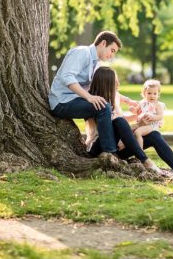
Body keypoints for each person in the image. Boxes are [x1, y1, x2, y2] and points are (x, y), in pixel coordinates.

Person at [48, 30, 124, 162]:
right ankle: (110, 153)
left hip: (73, 100)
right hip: (62, 102)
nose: (111, 55)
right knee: (103, 107)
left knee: (104, 106)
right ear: (103, 43)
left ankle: (96, 151)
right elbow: (67, 77)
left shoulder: (96, 63)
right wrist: (89, 97)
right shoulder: (82, 52)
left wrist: (124, 100)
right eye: (112, 50)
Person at [83, 67, 161, 174]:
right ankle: (145, 160)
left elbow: (123, 119)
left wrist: (140, 113)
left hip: (116, 147)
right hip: (99, 146)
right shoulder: (96, 103)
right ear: (107, 82)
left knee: (155, 135)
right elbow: (112, 128)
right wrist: (138, 124)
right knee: (120, 121)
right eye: (115, 80)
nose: (118, 83)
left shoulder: (114, 96)